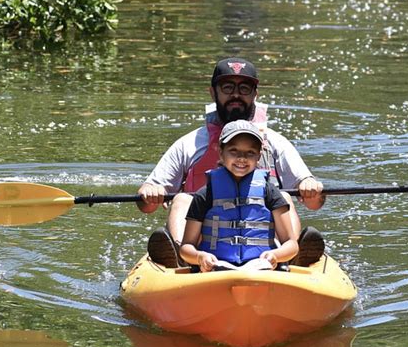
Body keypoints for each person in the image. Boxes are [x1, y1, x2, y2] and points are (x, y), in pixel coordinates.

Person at [138, 57, 325, 268]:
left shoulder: (275, 143)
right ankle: (181, 258)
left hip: (265, 247)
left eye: (244, 88)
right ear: (213, 92)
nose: (235, 95)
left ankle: (290, 256)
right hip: (202, 245)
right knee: (181, 199)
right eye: (227, 87)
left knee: (283, 197)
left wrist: (310, 186)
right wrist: (150, 190)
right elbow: (146, 205)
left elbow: (313, 203)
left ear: (255, 94)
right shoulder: (189, 144)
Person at [180, 120, 298, 272]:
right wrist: (199, 257)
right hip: (215, 268)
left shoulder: (270, 192)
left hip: (262, 268)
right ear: (221, 152)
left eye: (250, 152)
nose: (242, 158)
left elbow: (290, 243)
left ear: (259, 156)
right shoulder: (205, 194)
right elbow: (186, 246)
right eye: (234, 151)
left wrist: (276, 255)